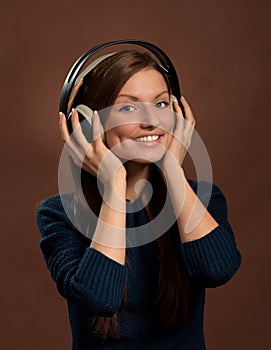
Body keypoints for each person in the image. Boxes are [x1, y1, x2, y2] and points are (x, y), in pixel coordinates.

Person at [36, 48, 241, 350]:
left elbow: (217, 270)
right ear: (87, 123)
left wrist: (172, 168)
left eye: (160, 104)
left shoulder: (200, 199)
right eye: (128, 108)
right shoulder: (60, 215)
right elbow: (98, 299)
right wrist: (115, 186)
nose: (151, 121)